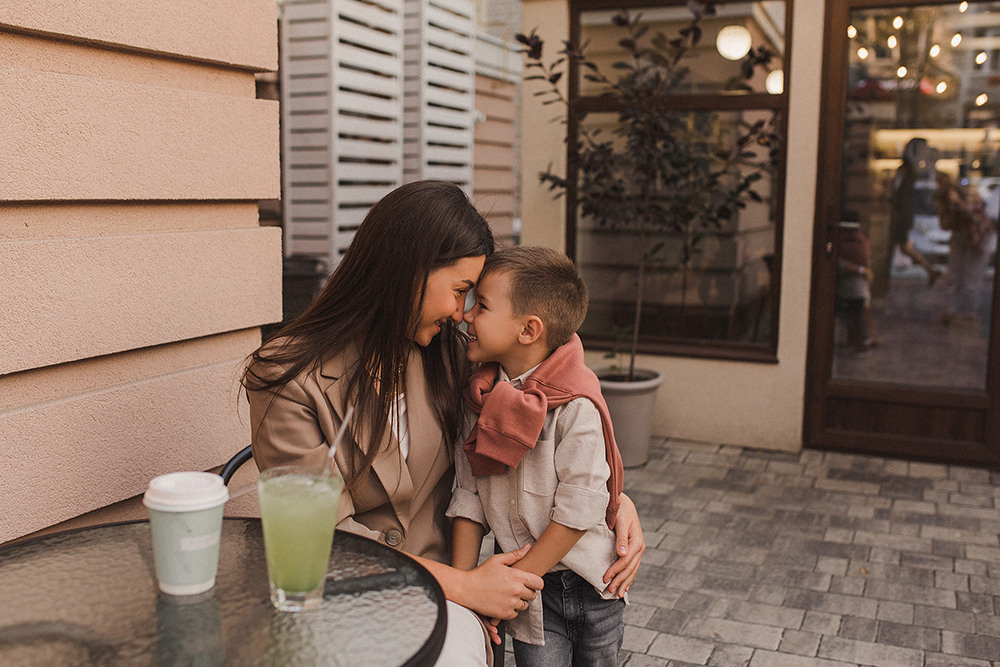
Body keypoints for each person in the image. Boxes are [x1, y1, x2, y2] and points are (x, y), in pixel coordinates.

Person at [242, 181, 645, 665]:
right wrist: (468, 585)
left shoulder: (452, 356)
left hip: (446, 602)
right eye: (459, 292)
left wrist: (613, 500)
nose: (462, 314)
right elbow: (316, 539)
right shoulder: (286, 377)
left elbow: (533, 433)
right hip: (345, 599)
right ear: (408, 272)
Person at [448, 246, 626, 666]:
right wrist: (467, 592)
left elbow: (580, 508)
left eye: (483, 305)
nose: (468, 315)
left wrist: (513, 582)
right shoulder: (477, 401)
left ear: (528, 330)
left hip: (590, 585)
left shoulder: (577, 406)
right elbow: (468, 497)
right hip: (530, 599)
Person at [935, 172, 997, 325]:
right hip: (969, 238)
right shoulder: (960, 202)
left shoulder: (964, 201)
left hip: (975, 240)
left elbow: (969, 217)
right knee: (962, 277)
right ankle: (960, 311)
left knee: (969, 278)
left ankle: (966, 312)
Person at [890, 137, 943, 287]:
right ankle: (931, 269)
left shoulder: (911, 173)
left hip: (902, 216)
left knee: (903, 247)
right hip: (900, 215)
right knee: (904, 247)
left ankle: (931, 269)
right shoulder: (906, 172)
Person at [835, 222, 878, 355]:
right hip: (851, 286)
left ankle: (862, 341)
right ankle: (860, 341)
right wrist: (861, 270)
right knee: (855, 316)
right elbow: (840, 264)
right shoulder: (852, 242)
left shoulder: (857, 242)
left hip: (857, 287)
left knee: (857, 316)